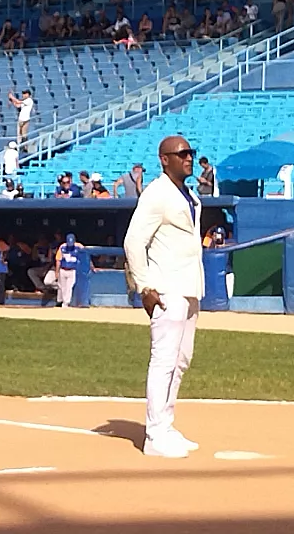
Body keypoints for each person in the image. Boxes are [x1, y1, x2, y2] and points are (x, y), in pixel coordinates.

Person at [123, 135, 204, 459]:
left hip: (189, 288)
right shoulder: (156, 194)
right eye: (181, 153)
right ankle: (154, 435)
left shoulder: (189, 195)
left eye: (191, 152)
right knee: (164, 362)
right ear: (164, 159)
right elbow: (133, 242)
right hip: (166, 290)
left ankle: (167, 425)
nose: (189, 157)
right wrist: (144, 287)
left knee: (180, 361)